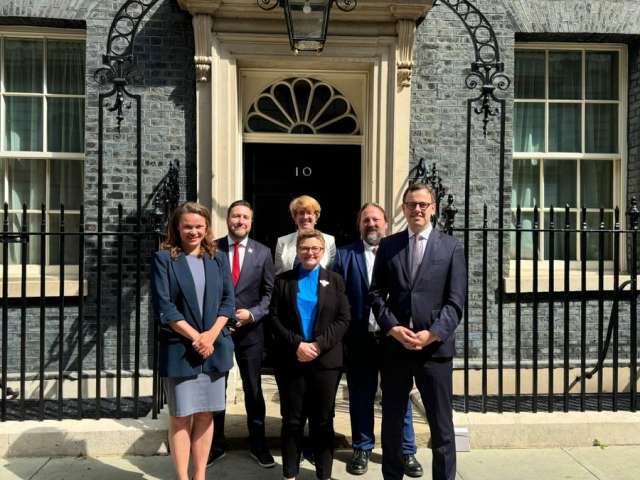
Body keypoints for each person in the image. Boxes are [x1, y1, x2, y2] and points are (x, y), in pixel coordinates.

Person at [369, 183, 466, 480]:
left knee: (441, 428)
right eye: (412, 204)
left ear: (433, 208)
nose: (417, 209)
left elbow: (456, 302)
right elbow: (375, 294)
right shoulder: (389, 245)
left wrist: (432, 333)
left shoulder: (451, 247)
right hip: (396, 349)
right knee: (393, 424)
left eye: (423, 204)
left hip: (434, 352)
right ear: (403, 209)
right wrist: (393, 328)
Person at [333, 203, 423, 477]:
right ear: (359, 225)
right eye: (365, 220)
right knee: (360, 395)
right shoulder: (345, 255)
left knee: (399, 396)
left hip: (394, 338)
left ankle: (405, 451)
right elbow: (338, 298)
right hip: (360, 337)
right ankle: (362, 447)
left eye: (376, 219)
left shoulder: (400, 250)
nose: (371, 224)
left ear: (386, 223)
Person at [151, 202, 235, 480]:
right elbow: (165, 307)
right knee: (180, 417)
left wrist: (210, 336)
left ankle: (199, 475)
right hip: (181, 350)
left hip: (214, 348)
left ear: (207, 228)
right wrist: (197, 337)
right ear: (177, 227)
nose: (194, 231)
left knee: (205, 415)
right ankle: (182, 477)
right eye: (188, 226)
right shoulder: (164, 259)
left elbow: (228, 302)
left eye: (199, 226)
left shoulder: (218, 258)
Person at [270, 229, 351, 480]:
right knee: (292, 421)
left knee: (323, 421)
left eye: (315, 248)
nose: (310, 252)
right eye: (305, 248)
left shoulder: (335, 280)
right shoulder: (283, 281)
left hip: (325, 362)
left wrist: (318, 345)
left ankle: (323, 475)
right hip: (291, 360)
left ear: (323, 251)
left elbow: (343, 318)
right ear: (297, 250)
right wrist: (297, 345)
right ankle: (290, 474)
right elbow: (274, 318)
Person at [210, 200, 275, 468]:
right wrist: (218, 318)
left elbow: (269, 294)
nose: (240, 221)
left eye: (245, 217)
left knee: (253, 389)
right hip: (220, 331)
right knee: (217, 388)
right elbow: (206, 290)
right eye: (236, 216)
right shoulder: (213, 249)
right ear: (228, 219)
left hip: (251, 331)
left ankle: (258, 444)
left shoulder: (263, 252)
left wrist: (254, 314)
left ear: (251, 221)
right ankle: (215, 444)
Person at [274, 195, 336, 275]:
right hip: (291, 286)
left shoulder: (329, 240)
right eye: (301, 213)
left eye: (309, 213)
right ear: (295, 218)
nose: (305, 217)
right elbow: (279, 274)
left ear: (316, 217)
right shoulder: (282, 241)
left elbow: (331, 272)